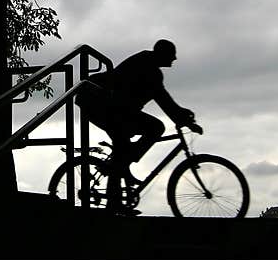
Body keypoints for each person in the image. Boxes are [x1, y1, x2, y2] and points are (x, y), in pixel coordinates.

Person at [76, 39, 197, 212]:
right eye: (172, 54)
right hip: (99, 103)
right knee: (153, 129)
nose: (175, 58)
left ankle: (122, 170)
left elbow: (165, 102)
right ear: (162, 54)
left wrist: (184, 118)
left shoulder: (149, 65)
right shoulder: (148, 68)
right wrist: (184, 119)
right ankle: (115, 196)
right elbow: (165, 101)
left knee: (126, 148)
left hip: (109, 106)